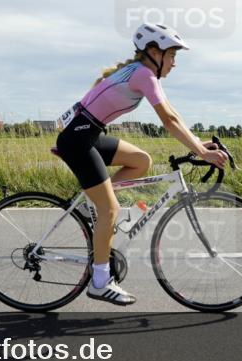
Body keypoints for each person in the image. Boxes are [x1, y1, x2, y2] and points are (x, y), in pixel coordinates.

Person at [54, 23, 228, 305]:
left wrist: (198, 143)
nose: (174, 63)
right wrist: (201, 152)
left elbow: (173, 114)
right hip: (77, 141)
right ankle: (100, 282)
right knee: (109, 209)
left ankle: (96, 207)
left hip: (87, 135)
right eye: (172, 56)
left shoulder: (142, 73)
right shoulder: (143, 74)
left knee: (140, 161)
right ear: (153, 52)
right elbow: (168, 122)